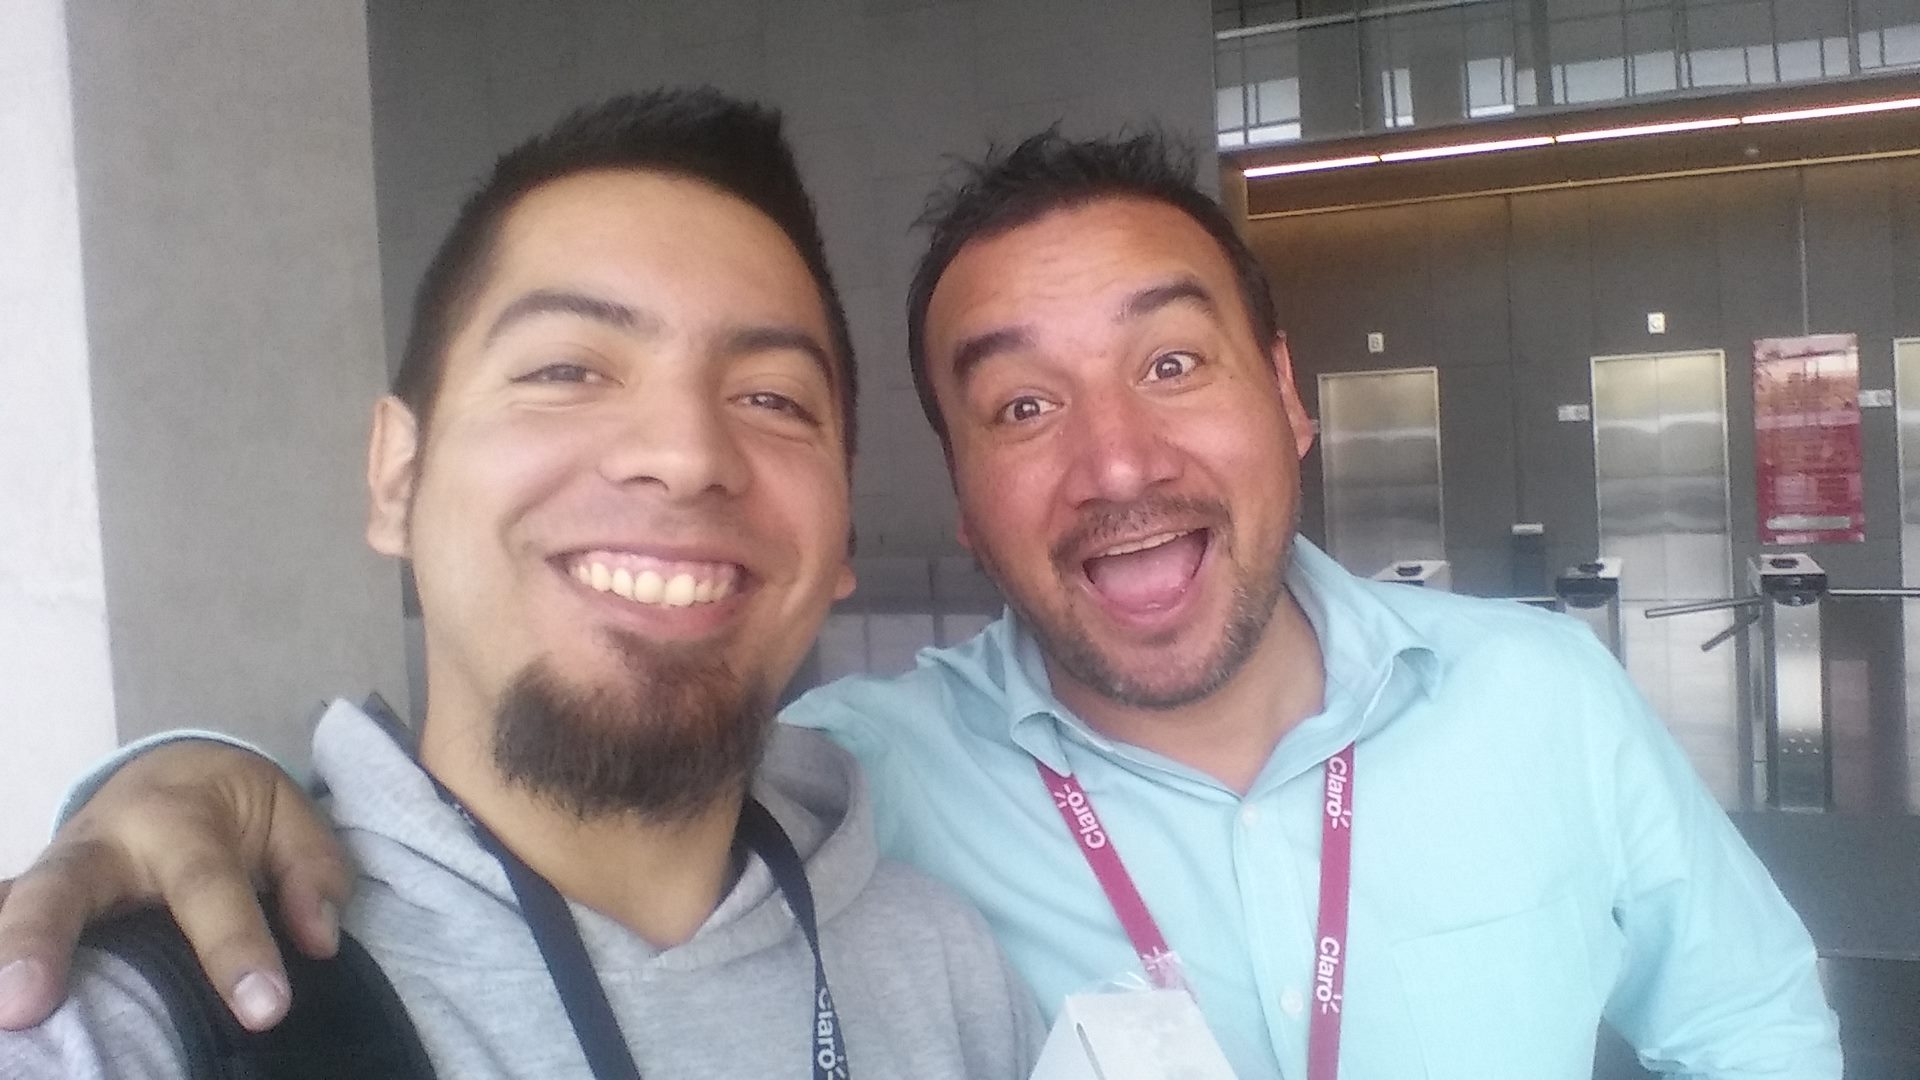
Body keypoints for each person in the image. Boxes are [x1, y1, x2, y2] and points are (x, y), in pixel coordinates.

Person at [0, 126, 1840, 1079]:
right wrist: (191, 772)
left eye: (1173, 364)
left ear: (1288, 396)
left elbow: (1755, 1029)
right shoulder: (856, 786)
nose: (1114, 461)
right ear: (958, 490)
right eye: (1021, 407)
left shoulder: (1543, 698)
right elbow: (583, 755)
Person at [0, 88, 1043, 1079]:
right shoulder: (136, 1017)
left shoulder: (943, 973)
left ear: (841, 526)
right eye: (566, 371)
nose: (686, 454)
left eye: (772, 398)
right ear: (397, 477)